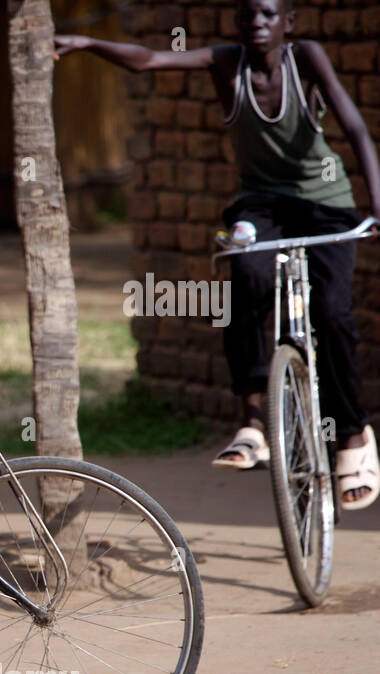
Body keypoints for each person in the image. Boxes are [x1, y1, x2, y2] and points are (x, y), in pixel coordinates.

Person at [55, 0, 380, 509]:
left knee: (333, 313)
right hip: (260, 204)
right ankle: (253, 420)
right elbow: (149, 60)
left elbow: (356, 128)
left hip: (326, 204)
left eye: (269, 15)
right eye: (248, 14)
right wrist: (88, 42)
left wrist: (377, 206)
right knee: (242, 271)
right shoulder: (227, 63)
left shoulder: (307, 57)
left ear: (287, 24)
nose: (257, 23)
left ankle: (354, 436)